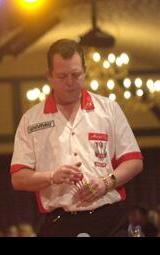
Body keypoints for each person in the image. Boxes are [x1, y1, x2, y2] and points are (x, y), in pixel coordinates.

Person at [10, 39, 143, 237]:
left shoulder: (108, 109)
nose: (70, 83)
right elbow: (18, 179)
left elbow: (134, 162)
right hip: (60, 221)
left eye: (76, 75)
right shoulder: (31, 120)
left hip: (109, 218)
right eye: (62, 76)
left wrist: (106, 182)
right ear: (49, 75)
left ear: (85, 71)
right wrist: (52, 176)